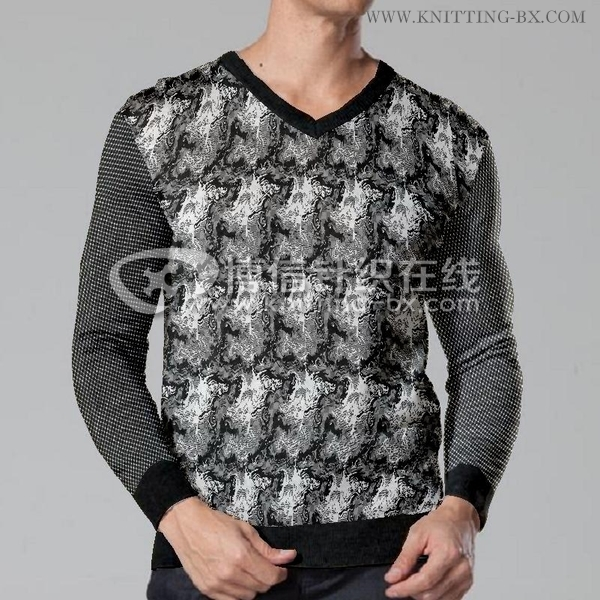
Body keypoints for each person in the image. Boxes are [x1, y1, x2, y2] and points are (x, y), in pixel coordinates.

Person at [71, 1, 523, 598]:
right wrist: (175, 514)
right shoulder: (160, 125)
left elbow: (484, 350)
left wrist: (463, 509)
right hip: (212, 561)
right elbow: (103, 346)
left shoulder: (445, 142)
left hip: (390, 568)